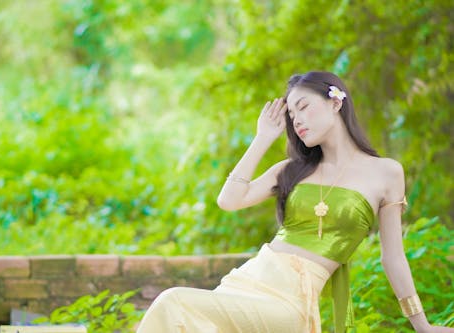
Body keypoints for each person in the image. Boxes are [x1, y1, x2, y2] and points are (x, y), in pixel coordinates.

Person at [136, 71, 453, 333]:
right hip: (247, 283)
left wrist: (422, 324)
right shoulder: (292, 170)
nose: (297, 120)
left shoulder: (385, 173)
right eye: (291, 114)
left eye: (303, 106)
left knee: (172, 301)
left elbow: (393, 258)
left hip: (291, 302)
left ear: (335, 101)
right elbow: (229, 200)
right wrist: (262, 138)